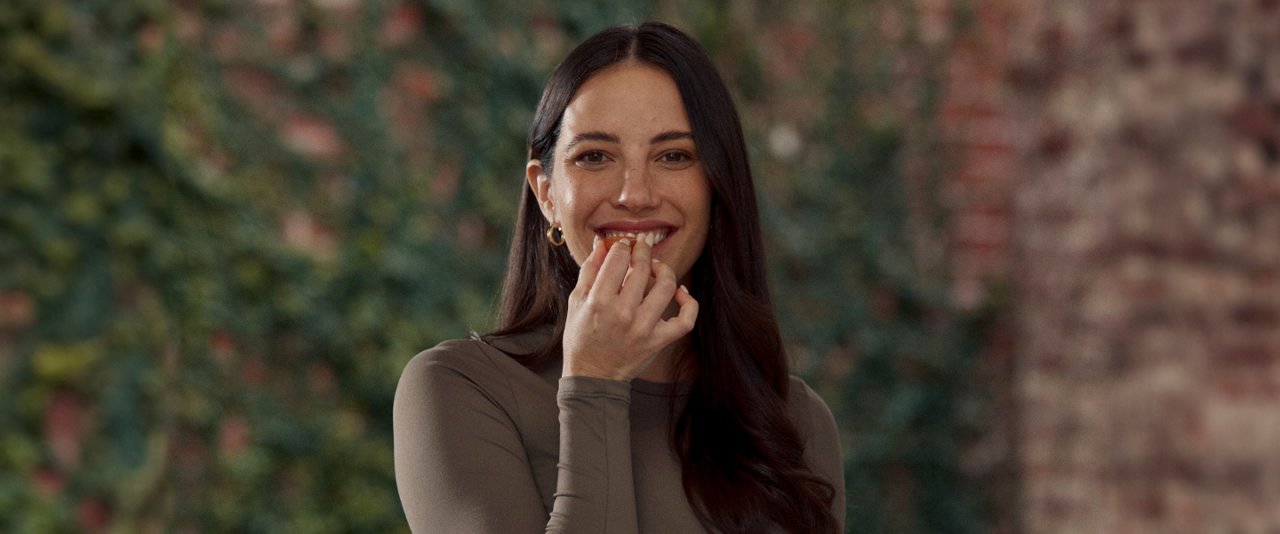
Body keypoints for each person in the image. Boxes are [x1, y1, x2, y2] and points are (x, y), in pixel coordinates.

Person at [393, 21, 845, 533]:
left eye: (673, 156)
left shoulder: (795, 418)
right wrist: (595, 383)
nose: (635, 194)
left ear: (718, 186)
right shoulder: (458, 389)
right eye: (595, 156)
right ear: (546, 194)